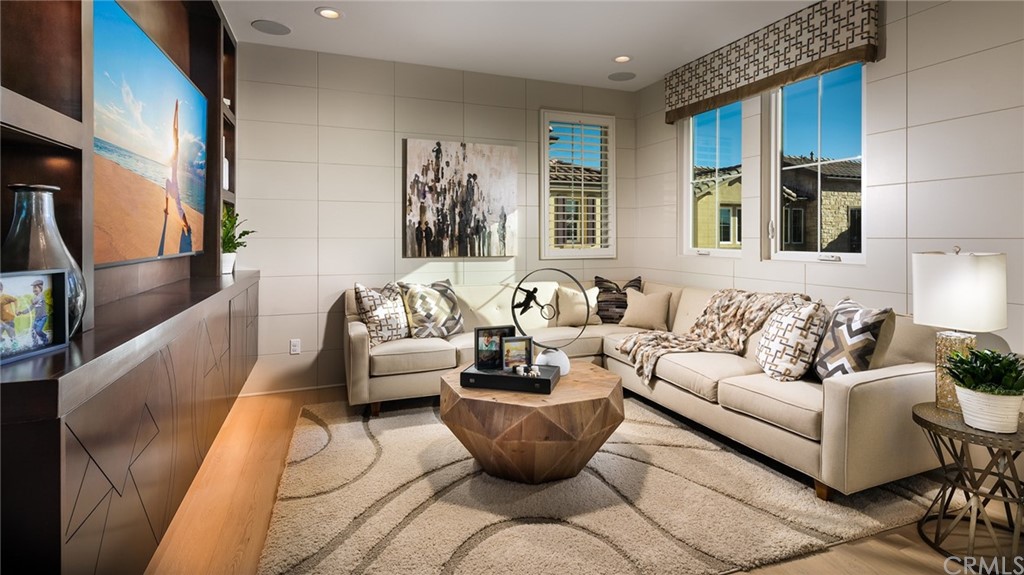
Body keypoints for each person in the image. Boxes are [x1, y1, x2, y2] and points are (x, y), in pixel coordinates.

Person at [164, 99, 191, 235]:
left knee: (166, 183)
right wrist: (176, 113)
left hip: (172, 187)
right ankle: (187, 225)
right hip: (176, 188)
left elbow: (174, 131)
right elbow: (175, 134)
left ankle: (166, 208)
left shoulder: (174, 155)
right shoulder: (176, 158)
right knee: (179, 208)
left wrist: (176, 112)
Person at [17, 280, 48, 346]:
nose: (34, 289)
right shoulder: (35, 298)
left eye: (35, 287)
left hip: (43, 317)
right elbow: (30, 308)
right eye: (33, 288)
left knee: (38, 331)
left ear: (40, 287)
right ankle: (35, 342)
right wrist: (21, 312)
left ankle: (44, 338)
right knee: (33, 331)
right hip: (37, 318)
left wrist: (34, 301)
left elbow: (38, 299)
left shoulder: (42, 295)